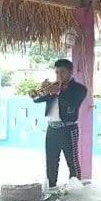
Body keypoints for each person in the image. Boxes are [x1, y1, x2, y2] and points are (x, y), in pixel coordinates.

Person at [30, 59, 87, 188]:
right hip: (51, 129)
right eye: (56, 73)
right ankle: (51, 188)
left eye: (62, 72)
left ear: (70, 72)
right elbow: (37, 99)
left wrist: (59, 92)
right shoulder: (53, 87)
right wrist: (40, 90)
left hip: (68, 128)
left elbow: (72, 103)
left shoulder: (79, 89)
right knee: (51, 161)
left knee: (72, 161)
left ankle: (76, 189)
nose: (59, 76)